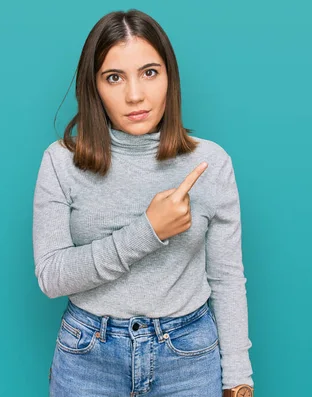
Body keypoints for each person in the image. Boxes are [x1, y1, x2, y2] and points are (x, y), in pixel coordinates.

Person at [32, 9, 254, 397]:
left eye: (149, 72)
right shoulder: (60, 161)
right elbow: (52, 277)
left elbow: (227, 278)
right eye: (114, 78)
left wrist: (238, 377)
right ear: (94, 87)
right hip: (88, 357)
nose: (135, 95)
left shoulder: (211, 163)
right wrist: (147, 231)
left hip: (188, 355)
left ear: (170, 78)